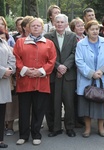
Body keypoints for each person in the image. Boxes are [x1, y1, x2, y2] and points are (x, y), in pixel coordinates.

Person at [13, 17, 57, 145]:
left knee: (39, 109)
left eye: (38, 25)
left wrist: (41, 71)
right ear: (28, 28)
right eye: (33, 26)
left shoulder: (49, 43)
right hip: (25, 81)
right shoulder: (20, 42)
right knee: (24, 110)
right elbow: (16, 58)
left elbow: (52, 60)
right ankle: (23, 135)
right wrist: (25, 70)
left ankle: (36, 134)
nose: (36, 27)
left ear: (42, 28)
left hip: (41, 81)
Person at [75, 20, 104, 138]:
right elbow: (79, 61)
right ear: (86, 31)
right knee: (86, 104)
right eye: (92, 29)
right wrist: (91, 73)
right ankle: (87, 129)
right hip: (87, 79)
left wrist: (101, 71)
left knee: (101, 104)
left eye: (97, 29)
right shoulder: (81, 44)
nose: (95, 31)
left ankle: (101, 128)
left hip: (102, 78)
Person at [44, 14, 77, 137]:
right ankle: (55, 128)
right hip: (54, 73)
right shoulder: (47, 37)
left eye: (62, 22)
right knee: (54, 102)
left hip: (68, 74)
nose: (59, 24)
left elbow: (74, 53)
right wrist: (58, 66)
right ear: (54, 23)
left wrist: (65, 67)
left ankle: (69, 127)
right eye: (57, 22)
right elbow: (47, 55)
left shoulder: (72, 37)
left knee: (69, 103)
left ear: (67, 24)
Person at [0, 29, 18, 136]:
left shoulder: (3, 42)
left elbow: (12, 58)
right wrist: (2, 71)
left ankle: (0, 139)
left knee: (1, 111)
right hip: (3, 75)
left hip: (3, 83)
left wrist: (10, 69)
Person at [70, 17, 85, 128]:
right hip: (74, 70)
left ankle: (82, 117)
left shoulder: (86, 38)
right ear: (73, 28)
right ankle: (74, 119)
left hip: (85, 71)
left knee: (83, 95)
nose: (81, 27)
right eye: (78, 25)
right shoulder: (72, 38)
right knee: (74, 96)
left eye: (82, 25)